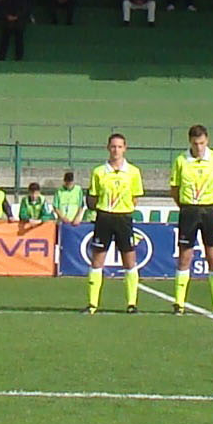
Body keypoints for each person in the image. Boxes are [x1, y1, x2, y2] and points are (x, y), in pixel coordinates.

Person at [168, 125, 213, 314]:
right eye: (195, 144)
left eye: (202, 143)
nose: (199, 147)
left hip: (210, 211)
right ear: (190, 142)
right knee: (185, 256)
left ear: (207, 141)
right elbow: (175, 188)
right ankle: (179, 302)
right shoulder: (181, 160)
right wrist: (186, 206)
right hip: (188, 211)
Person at [84, 134, 144, 313]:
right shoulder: (99, 172)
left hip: (124, 218)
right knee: (97, 259)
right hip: (104, 217)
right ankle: (93, 304)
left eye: (119, 147)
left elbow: (135, 198)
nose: (116, 150)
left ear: (125, 148)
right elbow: (93, 198)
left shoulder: (133, 172)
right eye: (113, 147)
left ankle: (131, 304)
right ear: (108, 148)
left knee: (129, 260)